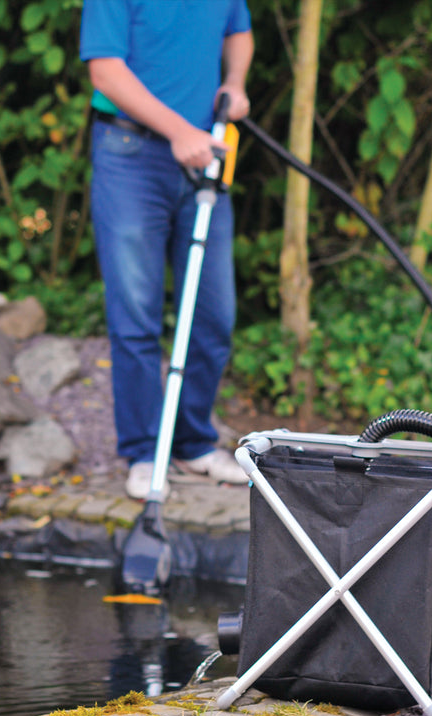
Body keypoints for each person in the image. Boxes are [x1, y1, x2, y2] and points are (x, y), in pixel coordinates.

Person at [80, 0, 254, 500]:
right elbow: (106, 73)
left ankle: (192, 443)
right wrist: (178, 131)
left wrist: (235, 83)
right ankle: (143, 451)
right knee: (136, 314)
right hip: (130, 157)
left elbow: (238, 31)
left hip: (206, 154)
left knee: (214, 314)